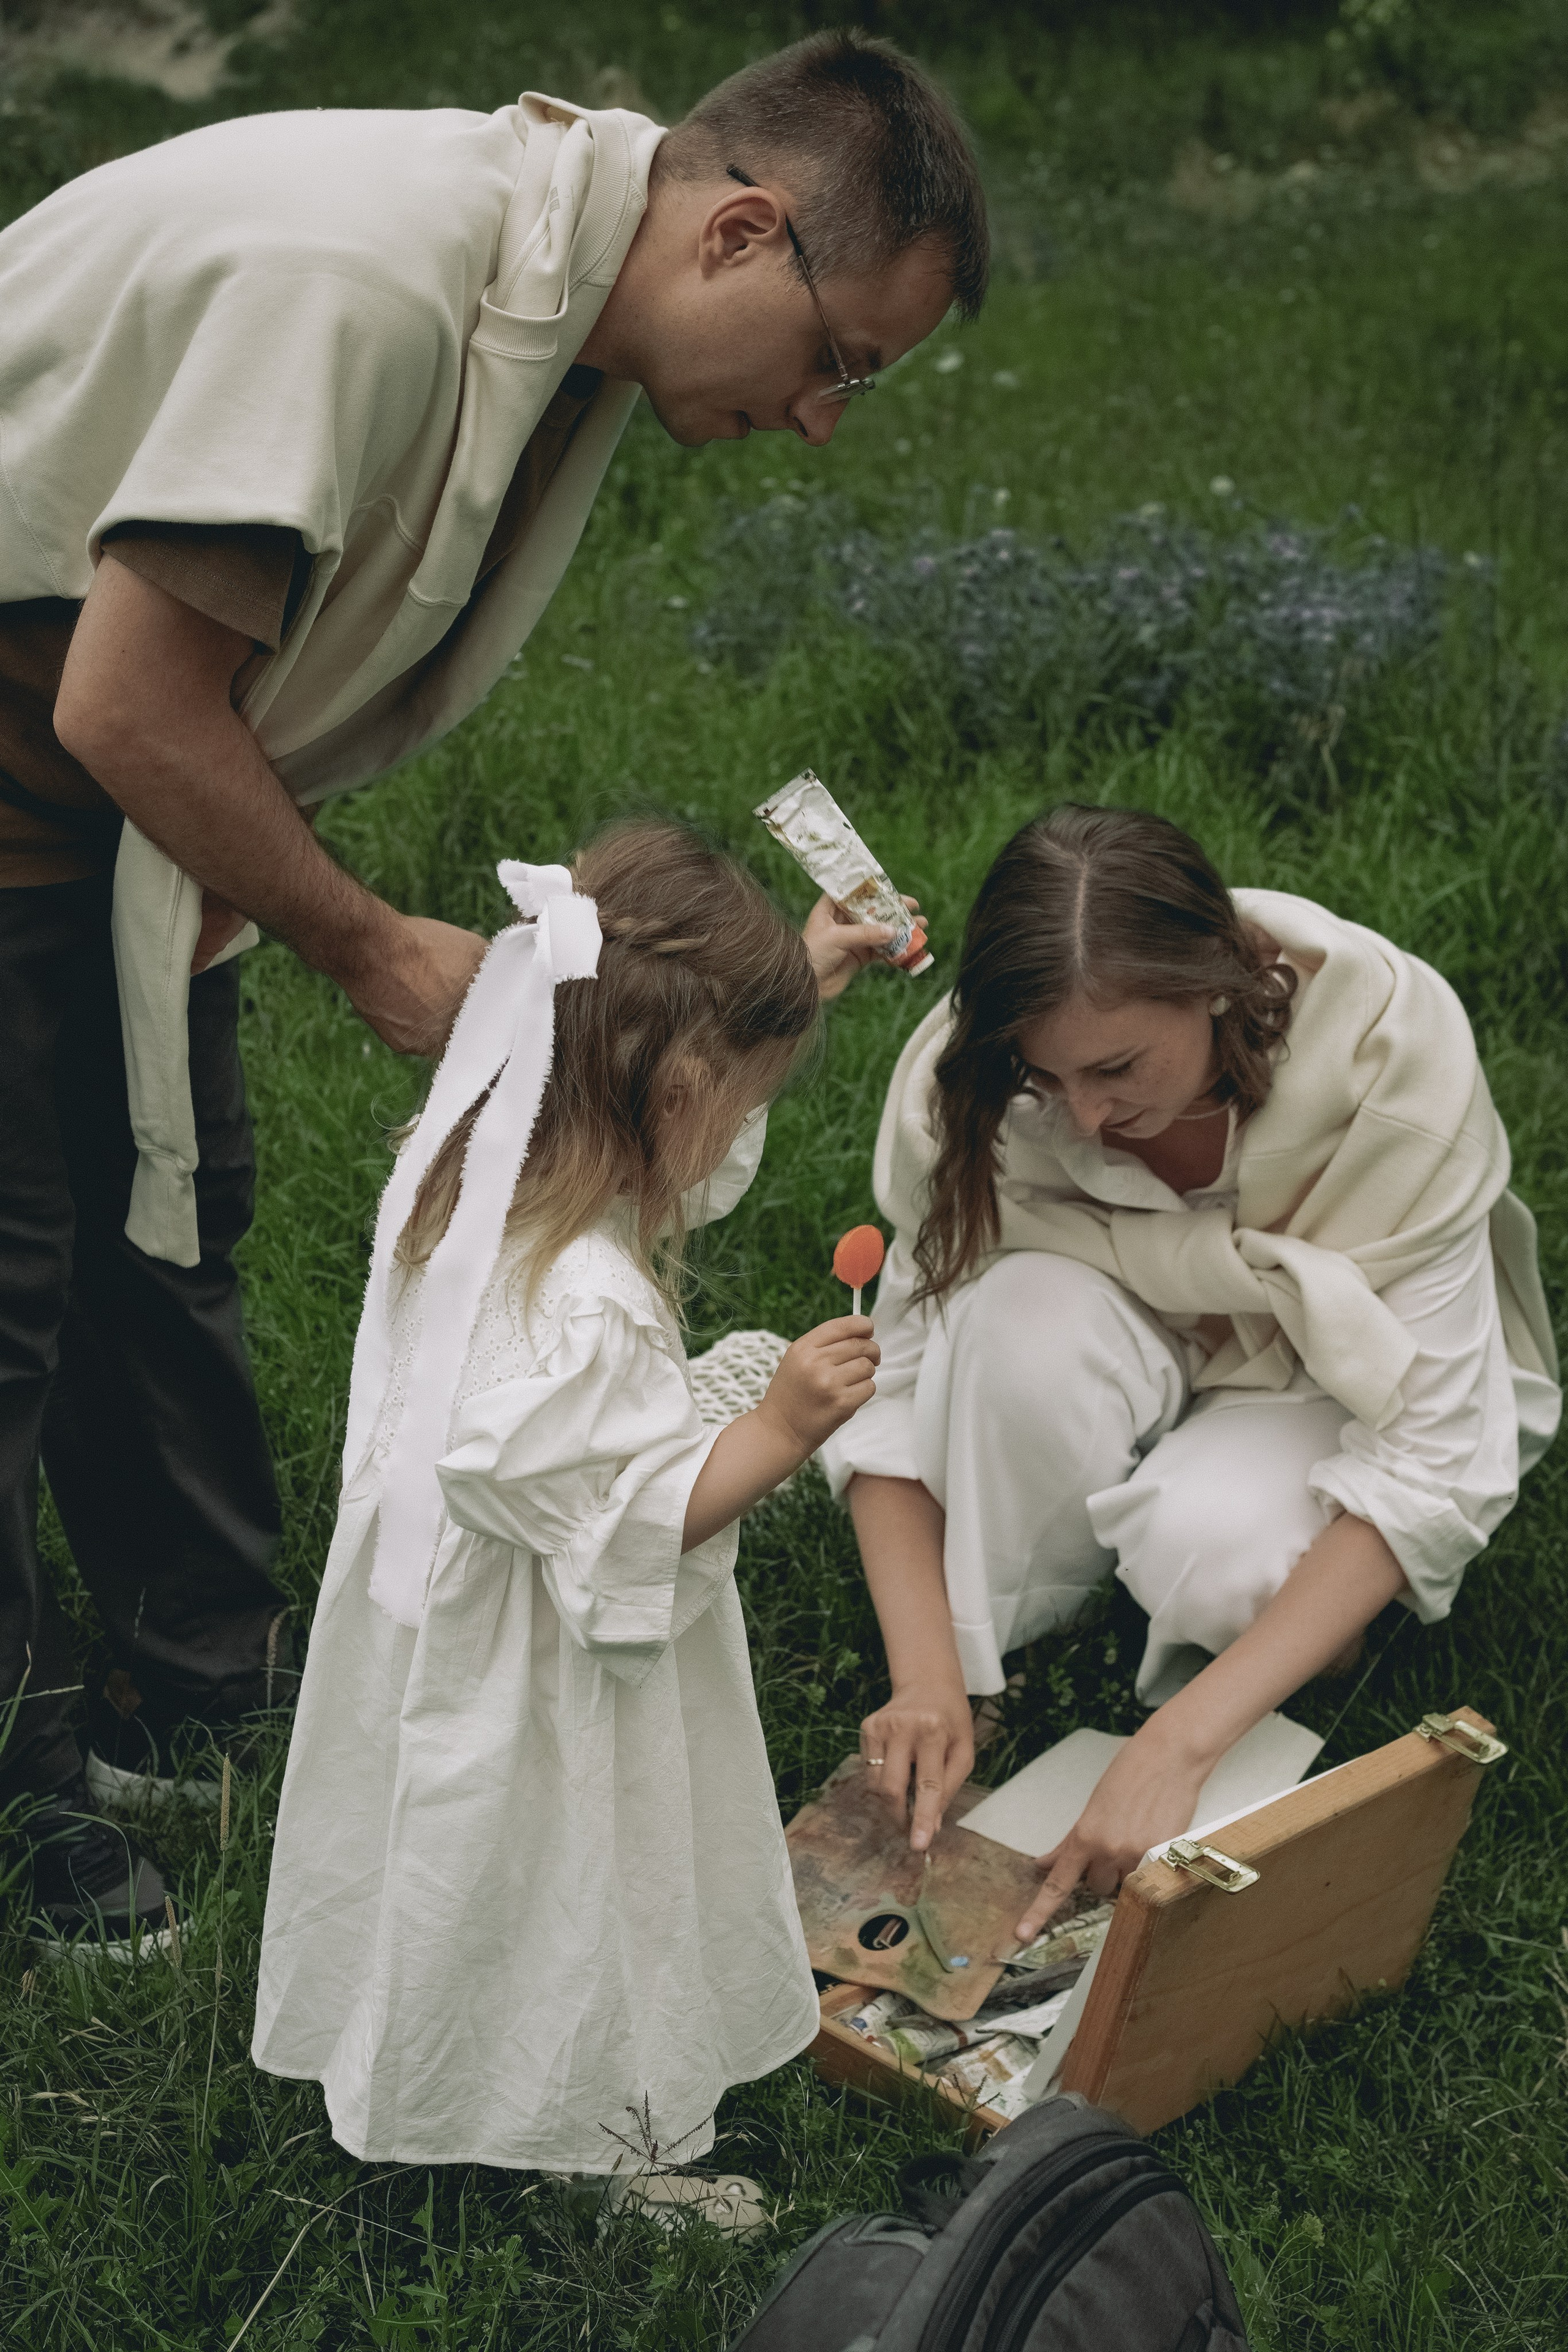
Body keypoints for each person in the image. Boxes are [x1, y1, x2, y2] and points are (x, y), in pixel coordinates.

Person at [0, 31, 983, 1940]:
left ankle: (199, 1680)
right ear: (742, 234)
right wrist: (360, 938)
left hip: (114, 790)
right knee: (9, 1273)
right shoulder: (361, 289)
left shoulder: (557, 312)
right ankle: (17, 1791)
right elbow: (123, 698)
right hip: (45, 755)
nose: (821, 421)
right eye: (842, 359)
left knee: (171, 1203)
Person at [251, 820, 881, 2171]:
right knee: (575, 1877)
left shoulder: (472, 1146)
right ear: (671, 1097)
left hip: (430, 1608)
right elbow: (630, 1524)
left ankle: (409, 2042)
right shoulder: (584, 1310)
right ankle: (604, 2129)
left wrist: (797, 980)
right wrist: (776, 1427)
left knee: (436, 1843)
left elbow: (664, 1119)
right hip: (541, 1660)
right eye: (734, 1093)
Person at [820, 804, 1559, 1948]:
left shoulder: (1390, 1074)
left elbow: (1433, 1457)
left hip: (1328, 1381)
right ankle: (1040, 1632)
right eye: (1046, 1073)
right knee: (1011, 1324)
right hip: (1121, 1325)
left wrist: (1177, 1749)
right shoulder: (975, 1091)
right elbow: (902, 1381)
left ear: (1216, 983)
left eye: (1117, 1067)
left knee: (1215, 1550)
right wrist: (925, 1675)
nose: (1087, 1114)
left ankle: (1252, 1612)